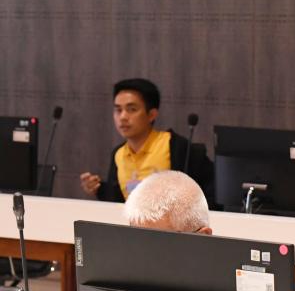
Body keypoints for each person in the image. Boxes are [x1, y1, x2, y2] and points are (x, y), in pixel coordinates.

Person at [38, 170, 212, 291]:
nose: (144, 256)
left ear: (202, 237)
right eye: (135, 240)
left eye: (159, 244)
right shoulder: (131, 275)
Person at [80, 78, 213, 204]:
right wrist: (98, 188)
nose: (123, 117)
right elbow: (119, 201)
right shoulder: (118, 154)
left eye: (132, 109)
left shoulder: (175, 146)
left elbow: (210, 192)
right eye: (118, 110)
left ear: (151, 115)